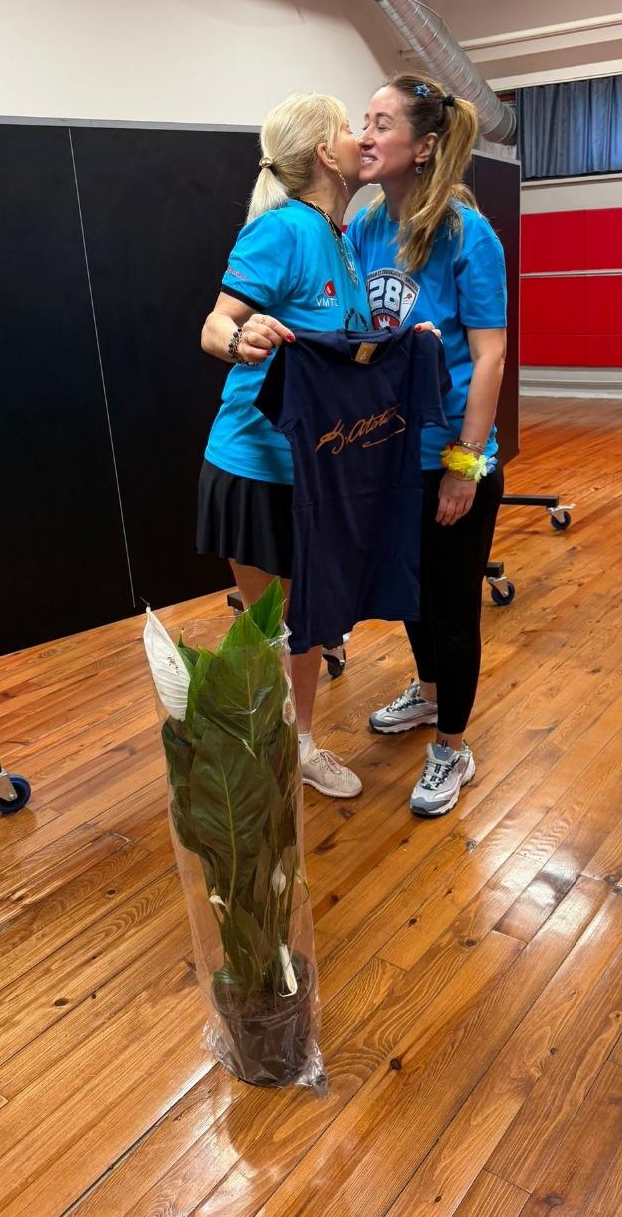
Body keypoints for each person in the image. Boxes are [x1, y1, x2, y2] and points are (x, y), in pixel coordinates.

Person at [198, 92, 370, 800]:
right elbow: (214, 325)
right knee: (286, 626)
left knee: (305, 619)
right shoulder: (281, 230)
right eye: (350, 127)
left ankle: (283, 741)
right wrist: (243, 338)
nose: (363, 137)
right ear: (326, 153)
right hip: (256, 463)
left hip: (313, 467)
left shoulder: (340, 236)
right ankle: (287, 747)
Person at [348, 73, 508, 820]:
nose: (365, 135)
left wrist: (465, 465)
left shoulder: (467, 234)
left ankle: (452, 746)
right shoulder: (364, 228)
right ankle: (430, 692)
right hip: (391, 455)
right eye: (365, 120)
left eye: (382, 124)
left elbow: (490, 355)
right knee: (410, 592)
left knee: (450, 609)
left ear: (425, 145)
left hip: (452, 457)